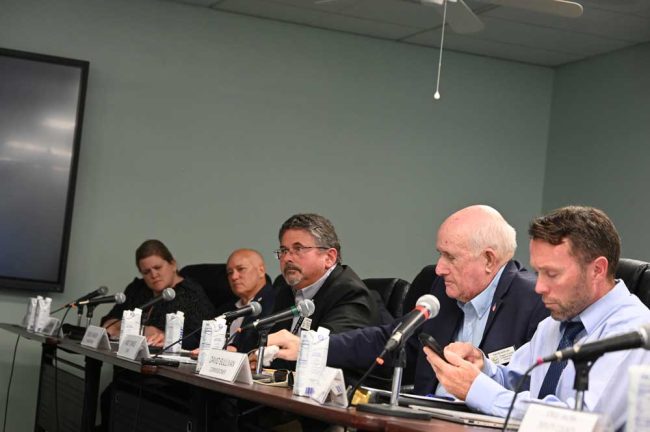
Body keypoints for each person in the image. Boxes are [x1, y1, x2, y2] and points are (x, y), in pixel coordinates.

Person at [267, 205, 549, 395]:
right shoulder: (444, 291)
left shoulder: (535, 301)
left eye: (450, 257)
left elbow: (535, 390)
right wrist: (312, 346)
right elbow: (390, 339)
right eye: (440, 254)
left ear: (488, 259)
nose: (438, 269)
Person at [426, 206, 650, 429]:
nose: (540, 287)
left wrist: (478, 389)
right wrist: (482, 368)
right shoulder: (555, 324)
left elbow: (577, 422)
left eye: (552, 274)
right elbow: (517, 380)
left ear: (597, 270)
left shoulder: (635, 333)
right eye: (538, 272)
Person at [267, 213, 381, 368]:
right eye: (284, 250)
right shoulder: (286, 290)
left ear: (329, 257)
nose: (287, 258)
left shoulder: (350, 294)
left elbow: (323, 354)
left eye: (298, 248)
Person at [101, 239, 216, 349]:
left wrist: (165, 336)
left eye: (158, 267)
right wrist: (144, 330)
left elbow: (201, 336)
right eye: (146, 272)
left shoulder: (191, 294)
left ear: (173, 264)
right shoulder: (137, 288)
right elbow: (110, 321)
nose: (154, 275)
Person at [221, 248, 275, 353]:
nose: (234, 277)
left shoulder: (275, 302)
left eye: (241, 269)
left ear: (261, 271)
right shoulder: (225, 308)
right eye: (229, 272)